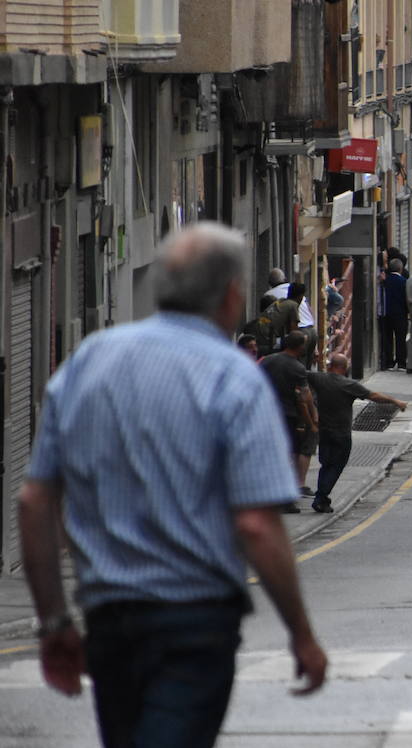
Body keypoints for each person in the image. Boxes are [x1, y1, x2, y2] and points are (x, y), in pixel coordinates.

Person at [18, 224, 327, 746]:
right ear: (231, 295)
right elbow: (255, 523)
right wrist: (300, 633)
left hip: (109, 619)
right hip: (195, 622)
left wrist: (54, 623)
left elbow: (34, 500)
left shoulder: (90, 359)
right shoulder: (233, 376)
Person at [307, 354, 408, 514]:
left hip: (324, 431)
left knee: (326, 465)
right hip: (341, 433)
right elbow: (374, 396)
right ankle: (321, 497)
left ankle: (322, 497)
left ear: (330, 365)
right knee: (337, 465)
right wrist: (396, 402)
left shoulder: (319, 379)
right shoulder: (348, 384)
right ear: (344, 367)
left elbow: (300, 375)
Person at [261, 331, 319, 507]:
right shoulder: (297, 368)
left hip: (267, 412)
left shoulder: (268, 360)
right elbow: (304, 395)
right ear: (300, 347)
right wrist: (312, 418)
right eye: (305, 344)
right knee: (292, 451)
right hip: (288, 415)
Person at [380, 258, 409, 370]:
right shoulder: (404, 281)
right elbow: (407, 298)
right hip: (400, 314)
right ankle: (401, 362)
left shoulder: (385, 280)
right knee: (400, 338)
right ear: (401, 268)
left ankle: (389, 362)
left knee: (388, 338)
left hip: (386, 313)